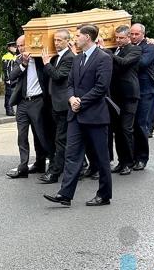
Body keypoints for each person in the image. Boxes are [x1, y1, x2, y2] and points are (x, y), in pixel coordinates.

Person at [44, 23, 114, 207]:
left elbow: (101, 87)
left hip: (95, 116)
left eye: (77, 36)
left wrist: (81, 102)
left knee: (101, 158)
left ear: (87, 38)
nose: (75, 39)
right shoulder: (77, 59)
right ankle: (65, 194)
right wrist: (71, 99)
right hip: (75, 115)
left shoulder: (103, 58)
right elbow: (70, 85)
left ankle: (104, 195)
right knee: (72, 155)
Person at [6, 34, 51, 178]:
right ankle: (23, 166)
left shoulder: (40, 59)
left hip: (38, 102)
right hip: (23, 103)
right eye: (18, 46)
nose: (20, 49)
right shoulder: (19, 60)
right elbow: (12, 76)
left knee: (41, 135)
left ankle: (47, 163)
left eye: (22, 45)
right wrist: (23, 64)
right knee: (22, 136)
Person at [39, 29, 75, 183]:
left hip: (63, 105)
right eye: (55, 40)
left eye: (60, 40)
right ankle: (77, 168)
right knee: (62, 138)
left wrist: (46, 63)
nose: (56, 43)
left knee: (61, 139)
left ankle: (55, 173)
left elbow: (58, 76)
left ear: (68, 41)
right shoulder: (59, 57)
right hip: (56, 104)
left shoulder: (69, 57)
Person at [107, 25, 142, 175]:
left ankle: (129, 161)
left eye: (121, 38)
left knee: (126, 129)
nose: (118, 40)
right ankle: (121, 161)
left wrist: (106, 52)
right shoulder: (115, 50)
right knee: (117, 130)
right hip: (115, 95)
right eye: (117, 38)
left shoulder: (135, 49)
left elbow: (124, 63)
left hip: (129, 95)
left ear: (128, 37)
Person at [130, 23, 154, 169]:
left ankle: (142, 158)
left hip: (145, 90)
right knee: (130, 126)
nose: (133, 37)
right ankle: (131, 157)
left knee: (140, 125)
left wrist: (129, 54)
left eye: (136, 34)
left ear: (143, 35)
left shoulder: (149, 47)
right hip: (130, 91)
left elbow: (142, 63)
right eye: (131, 34)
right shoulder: (128, 47)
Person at [1, 41, 18, 116]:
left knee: (13, 94)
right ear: (9, 48)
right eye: (13, 47)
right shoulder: (6, 56)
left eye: (15, 46)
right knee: (9, 94)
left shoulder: (15, 56)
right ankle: (8, 109)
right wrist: (7, 79)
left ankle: (11, 109)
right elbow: (5, 69)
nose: (15, 48)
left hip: (15, 78)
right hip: (10, 78)